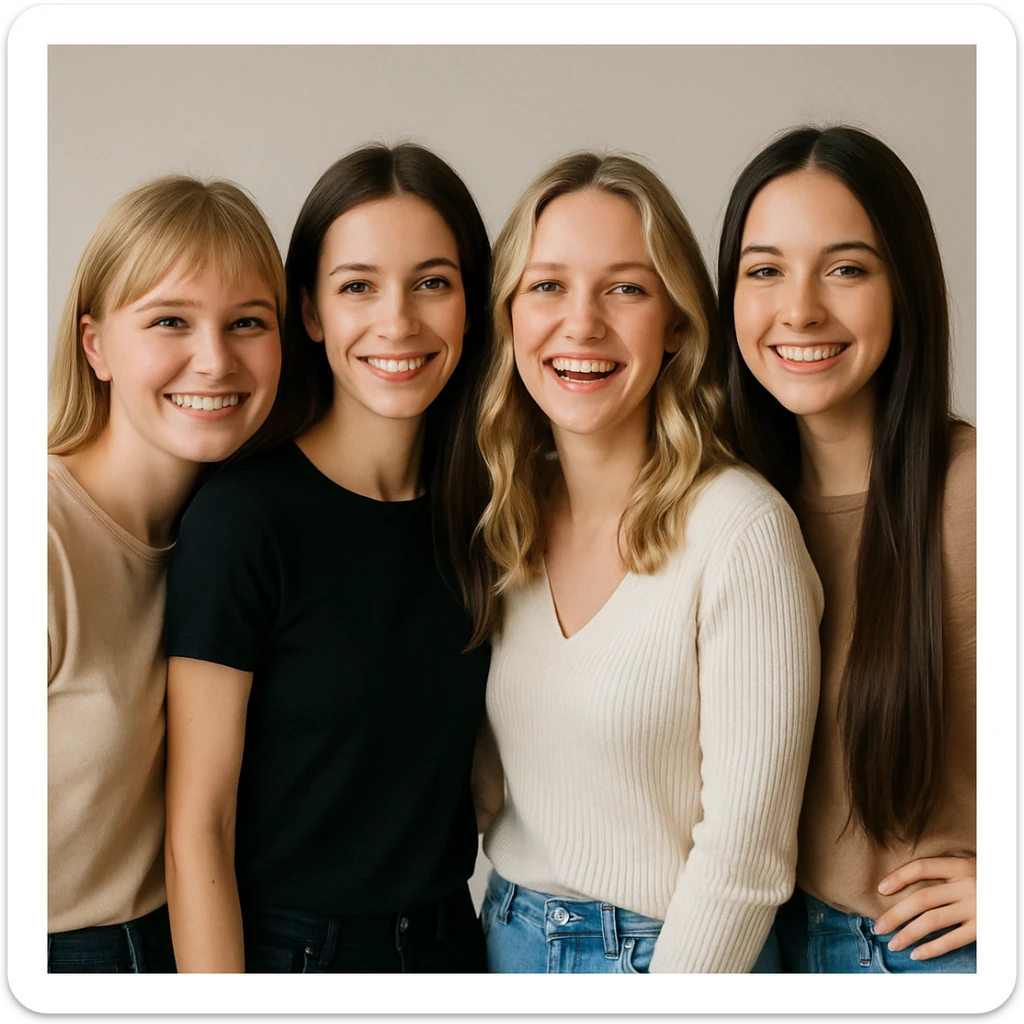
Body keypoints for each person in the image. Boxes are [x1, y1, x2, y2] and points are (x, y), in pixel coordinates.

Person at [470, 152, 823, 974]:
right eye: (547, 286)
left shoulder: (742, 531)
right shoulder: (506, 521)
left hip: (674, 957)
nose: (582, 324)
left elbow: (746, 856)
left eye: (625, 288)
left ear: (676, 325)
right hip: (507, 937)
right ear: (510, 317)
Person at [162, 143, 493, 974]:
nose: (399, 322)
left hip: (457, 948)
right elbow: (199, 822)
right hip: (292, 958)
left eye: (432, 282)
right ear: (309, 312)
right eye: (358, 287)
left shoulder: (492, 512)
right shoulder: (244, 521)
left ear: (470, 305)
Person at [719, 124, 976, 973]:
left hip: (926, 961)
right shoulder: (728, 507)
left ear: (904, 286)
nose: (800, 309)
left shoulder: (979, 492)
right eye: (765, 270)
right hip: (771, 951)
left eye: (846, 268)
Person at [47, 175, 285, 973]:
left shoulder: (233, 537)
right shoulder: (40, 539)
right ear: (96, 345)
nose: (214, 360)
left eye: (247, 322)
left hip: (180, 943)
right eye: (170, 321)